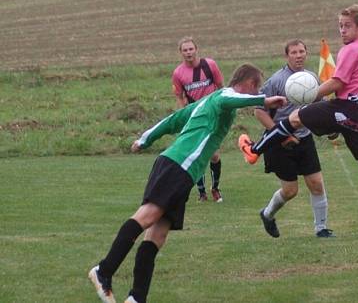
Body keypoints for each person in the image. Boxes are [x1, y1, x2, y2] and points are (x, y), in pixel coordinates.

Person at [88, 64, 286, 303]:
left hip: (181, 169)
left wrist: (145, 139)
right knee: (148, 216)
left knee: (157, 235)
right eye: (255, 87)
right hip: (178, 165)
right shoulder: (223, 96)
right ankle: (103, 271)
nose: (254, 92)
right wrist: (263, 100)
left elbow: (173, 120)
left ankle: (136, 297)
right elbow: (230, 98)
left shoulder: (205, 104)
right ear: (249, 84)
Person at [239, 4, 358, 225]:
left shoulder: (350, 50)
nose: (342, 31)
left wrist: (310, 94)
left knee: (296, 116)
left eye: (347, 26)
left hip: (345, 108)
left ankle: (254, 150)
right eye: (340, 26)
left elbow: (337, 82)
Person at [253, 39, 334, 238]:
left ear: (306, 53)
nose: (298, 56)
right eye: (294, 52)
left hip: (304, 139)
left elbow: (320, 107)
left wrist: (329, 127)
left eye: (301, 52)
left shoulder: (311, 78)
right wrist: (280, 134)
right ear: (287, 56)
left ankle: (321, 228)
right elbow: (259, 111)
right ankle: (267, 213)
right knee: (290, 191)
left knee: (316, 183)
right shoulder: (276, 80)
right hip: (280, 142)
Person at [172, 37, 225, 202]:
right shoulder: (178, 73)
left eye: (190, 49)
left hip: (213, 114)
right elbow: (180, 97)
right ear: (181, 53)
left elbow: (221, 88)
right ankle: (201, 192)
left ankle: (215, 188)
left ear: (196, 49)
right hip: (195, 117)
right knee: (198, 154)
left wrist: (224, 110)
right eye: (185, 50)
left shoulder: (210, 65)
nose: (188, 52)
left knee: (214, 155)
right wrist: (184, 117)